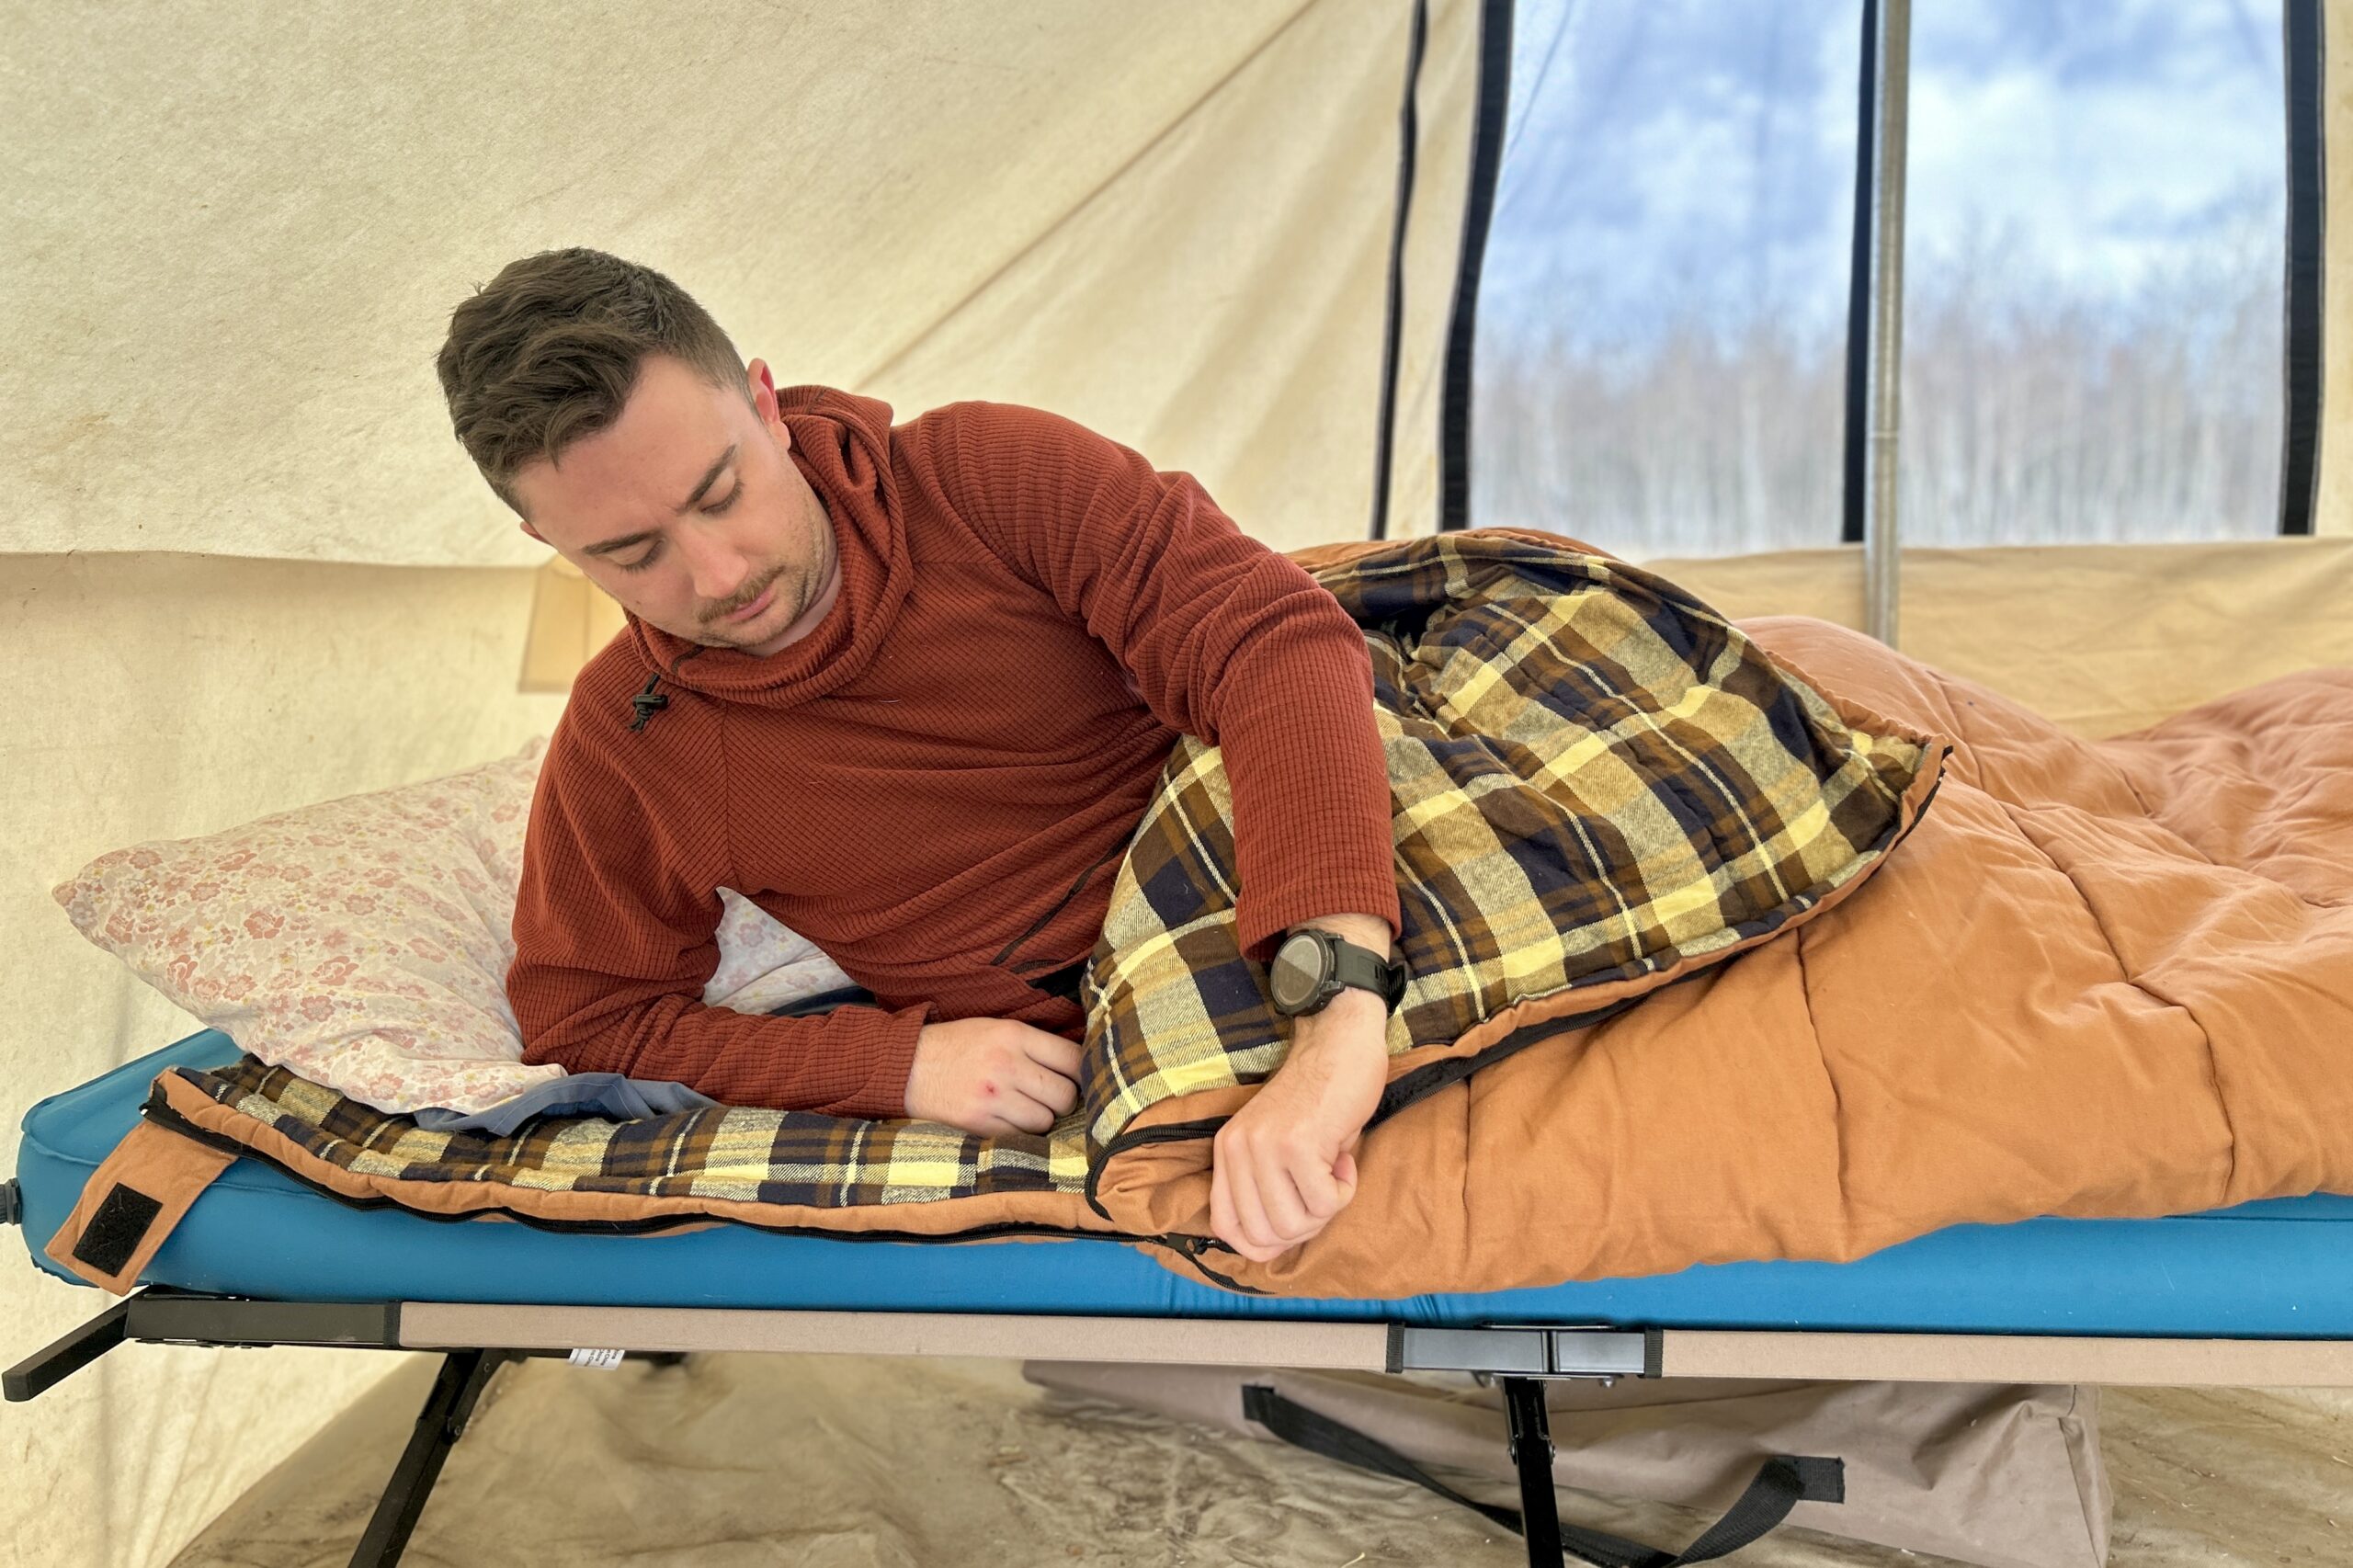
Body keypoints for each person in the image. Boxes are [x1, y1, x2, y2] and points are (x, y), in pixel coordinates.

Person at [437, 247, 1404, 1263]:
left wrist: (1336, 1019)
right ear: (546, 538)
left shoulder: (987, 474)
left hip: (1283, 871)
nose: (718, 574)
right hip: (1106, 1014)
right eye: (632, 555)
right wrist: (895, 1064)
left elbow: (1270, 643)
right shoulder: (630, 744)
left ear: (766, 405)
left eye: (721, 494)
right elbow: (590, 1017)